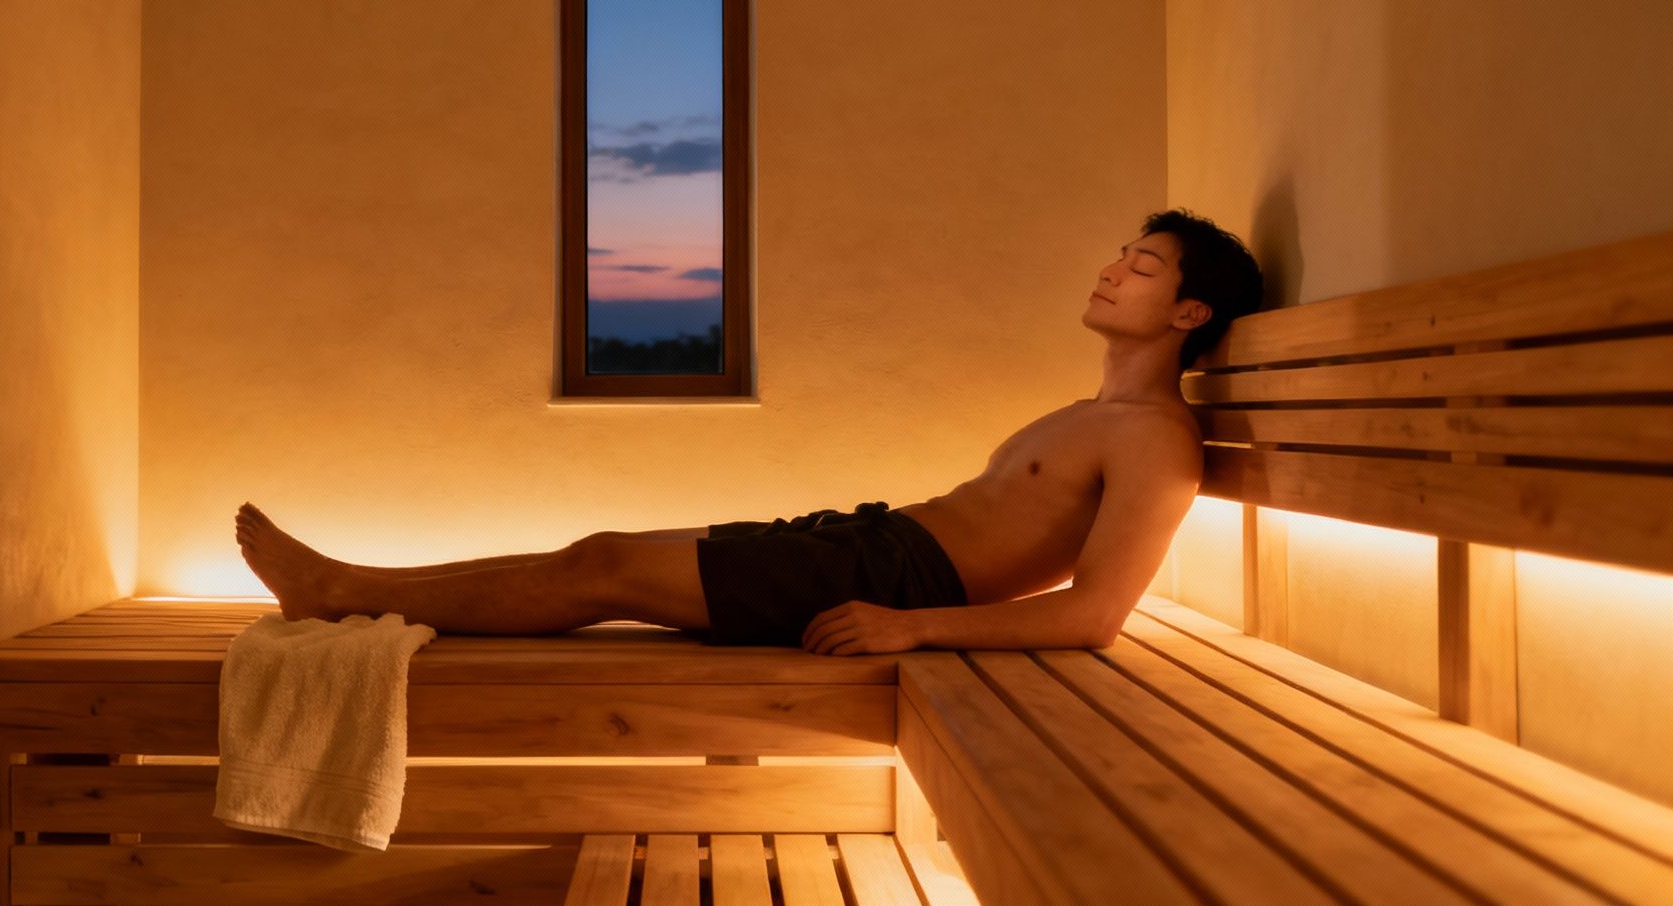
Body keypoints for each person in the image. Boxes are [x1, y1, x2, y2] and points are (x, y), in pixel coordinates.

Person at [235, 208, 1263, 655]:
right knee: (597, 558)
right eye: (1118, 251)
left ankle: (341, 593)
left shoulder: (1154, 441)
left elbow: (1092, 616)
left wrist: (909, 625)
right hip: (870, 546)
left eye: (1143, 265)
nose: (1111, 267)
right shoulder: (1092, 413)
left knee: (602, 568)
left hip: (894, 582)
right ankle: (351, 588)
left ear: (1186, 315)